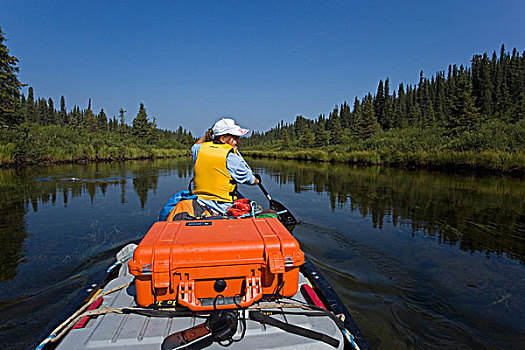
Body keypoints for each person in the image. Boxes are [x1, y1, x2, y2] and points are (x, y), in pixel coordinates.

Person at [191, 118, 260, 215]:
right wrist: (257, 180)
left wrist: (211, 133)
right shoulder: (233, 158)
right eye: (235, 138)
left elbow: (195, 146)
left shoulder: (199, 150)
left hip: (199, 203)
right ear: (222, 139)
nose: (239, 141)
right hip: (222, 208)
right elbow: (250, 180)